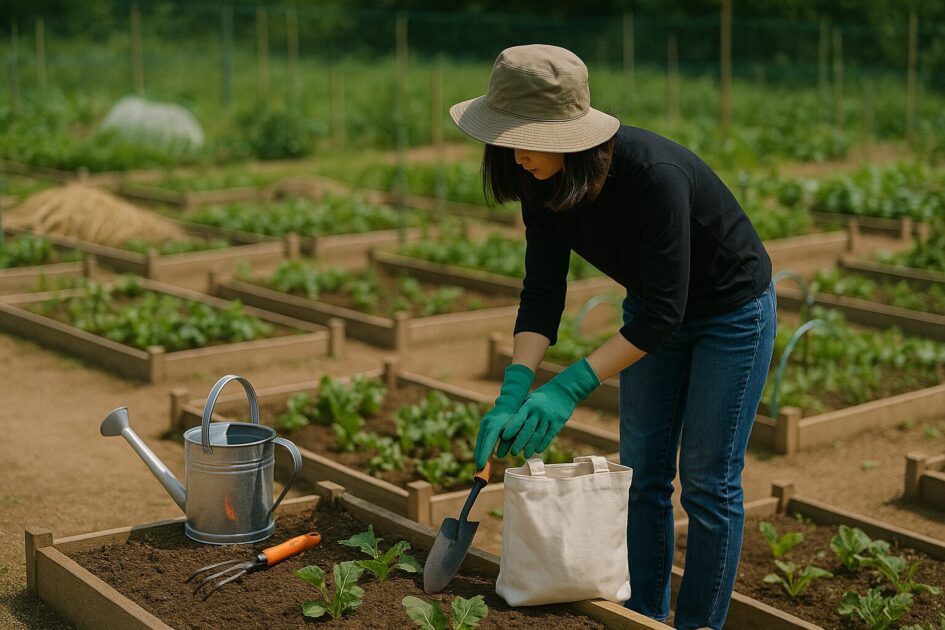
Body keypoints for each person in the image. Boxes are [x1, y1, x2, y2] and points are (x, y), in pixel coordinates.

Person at [452, 44, 777, 630]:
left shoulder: (654, 177)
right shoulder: (538, 181)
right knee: (643, 474)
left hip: (730, 314)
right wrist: (514, 388)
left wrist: (568, 387)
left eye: (526, 138)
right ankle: (645, 615)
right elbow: (542, 292)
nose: (515, 153)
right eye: (505, 137)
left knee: (708, 481)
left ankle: (699, 624)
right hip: (653, 310)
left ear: (567, 136)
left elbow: (664, 312)